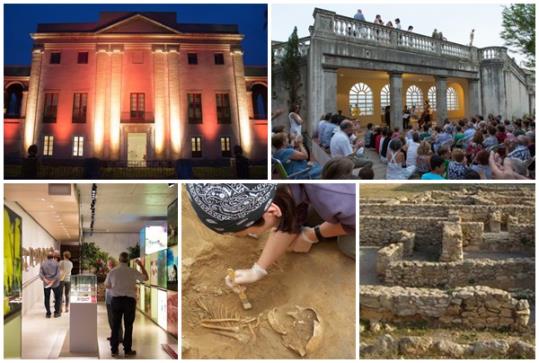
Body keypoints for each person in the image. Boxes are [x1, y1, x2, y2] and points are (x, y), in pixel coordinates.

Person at [186, 184, 357, 287]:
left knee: (348, 245)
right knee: (311, 214)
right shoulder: (275, 192)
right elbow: (289, 214)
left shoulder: (337, 196)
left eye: (251, 232)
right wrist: (258, 270)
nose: (255, 234)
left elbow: (357, 221)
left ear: (272, 210)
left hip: (355, 207)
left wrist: (314, 234)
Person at [104, 253, 149, 357]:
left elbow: (107, 285)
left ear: (119, 260)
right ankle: (127, 350)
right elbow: (145, 278)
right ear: (128, 260)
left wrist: (115, 288)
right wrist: (141, 265)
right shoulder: (132, 271)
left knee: (115, 325)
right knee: (128, 326)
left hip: (116, 301)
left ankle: (114, 350)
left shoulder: (113, 272)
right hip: (129, 301)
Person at [105, 258, 123, 343]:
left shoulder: (114, 273)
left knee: (115, 319)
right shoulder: (113, 272)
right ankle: (115, 336)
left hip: (113, 299)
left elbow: (108, 285)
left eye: (110, 264)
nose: (108, 265)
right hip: (110, 299)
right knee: (112, 319)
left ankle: (118, 337)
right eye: (108, 264)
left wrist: (107, 285)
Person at [39, 251, 62, 318]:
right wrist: (53, 281)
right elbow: (58, 274)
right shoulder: (56, 263)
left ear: (47, 256)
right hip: (55, 284)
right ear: (53, 256)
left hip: (46, 284)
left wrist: (45, 279)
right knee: (58, 298)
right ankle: (56, 313)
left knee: (46, 298)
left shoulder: (43, 263)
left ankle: (48, 313)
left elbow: (40, 273)